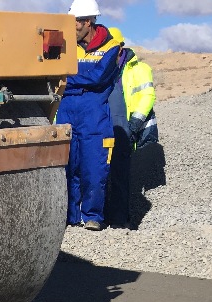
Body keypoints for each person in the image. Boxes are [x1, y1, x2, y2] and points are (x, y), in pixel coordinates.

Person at [56, 0, 123, 231]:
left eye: (75, 23)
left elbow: (99, 79)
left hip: (94, 116)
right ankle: (69, 216)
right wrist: (69, 82)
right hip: (66, 112)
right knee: (68, 166)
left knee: (94, 168)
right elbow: (53, 76)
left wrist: (67, 81)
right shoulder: (66, 46)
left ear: (88, 22)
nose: (71, 27)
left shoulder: (113, 47)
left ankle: (93, 216)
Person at [106, 29, 158, 228]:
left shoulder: (139, 68)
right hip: (105, 126)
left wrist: (134, 124)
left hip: (126, 126)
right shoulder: (103, 69)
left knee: (120, 174)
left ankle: (120, 221)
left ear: (120, 47)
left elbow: (147, 97)